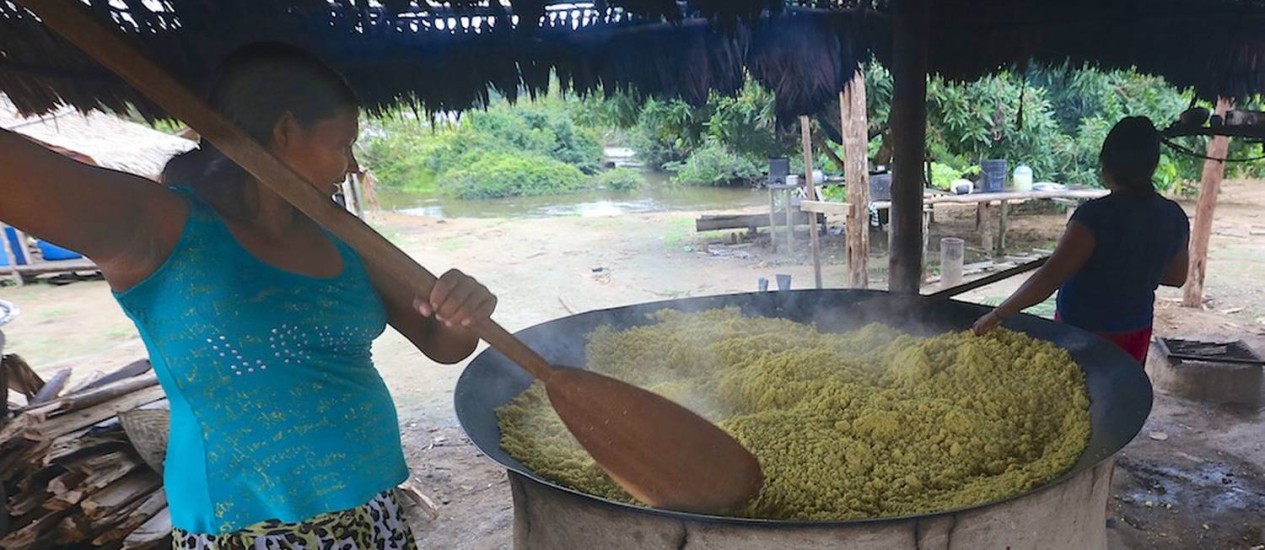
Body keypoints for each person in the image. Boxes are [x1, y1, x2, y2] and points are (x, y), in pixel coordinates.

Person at [0, 43, 496, 548]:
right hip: (250, 524)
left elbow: (442, 344)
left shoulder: (344, 237)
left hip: (372, 503)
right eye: (343, 143)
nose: (350, 166)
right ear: (285, 131)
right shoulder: (158, 225)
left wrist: (462, 312)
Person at [972, 116, 1190, 365]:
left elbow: (1048, 279)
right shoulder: (1173, 215)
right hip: (1135, 331)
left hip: (1082, 333)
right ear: (1152, 166)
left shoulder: (1095, 216)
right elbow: (1176, 277)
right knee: (1116, 394)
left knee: (1077, 393)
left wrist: (998, 314)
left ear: (1106, 167)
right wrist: (1136, 267)